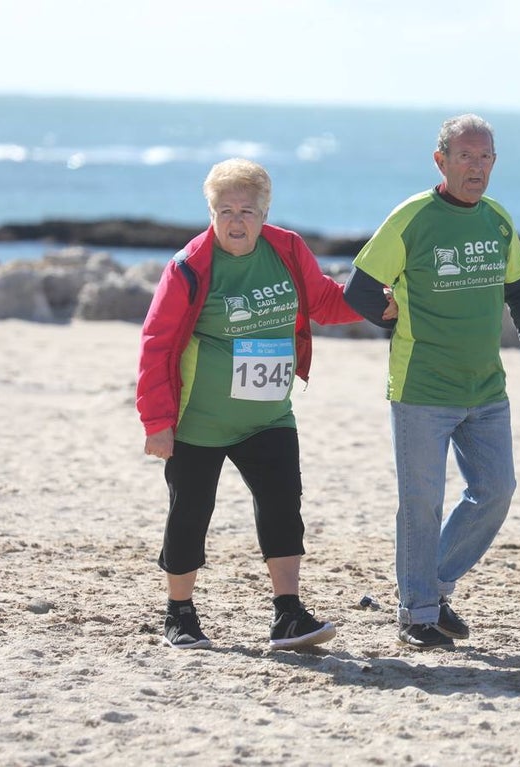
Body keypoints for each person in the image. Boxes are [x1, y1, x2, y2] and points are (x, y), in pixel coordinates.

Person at [137, 158, 390, 651]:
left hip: (269, 413)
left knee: (282, 507)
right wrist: (157, 422)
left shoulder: (288, 249)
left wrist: (378, 304)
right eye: (225, 210)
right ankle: (180, 615)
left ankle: (288, 615)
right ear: (210, 212)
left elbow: (322, 301)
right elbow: (157, 343)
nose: (237, 221)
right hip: (199, 421)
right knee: (189, 514)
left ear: (265, 211)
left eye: (248, 211)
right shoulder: (189, 267)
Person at [343, 114, 520, 650]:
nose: (476, 166)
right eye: (465, 156)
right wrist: (394, 320)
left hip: (485, 388)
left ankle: (431, 585)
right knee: (421, 503)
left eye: (485, 157)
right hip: (422, 387)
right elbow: (360, 290)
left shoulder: (497, 220)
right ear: (440, 161)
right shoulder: (413, 218)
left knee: (496, 490)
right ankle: (418, 613)